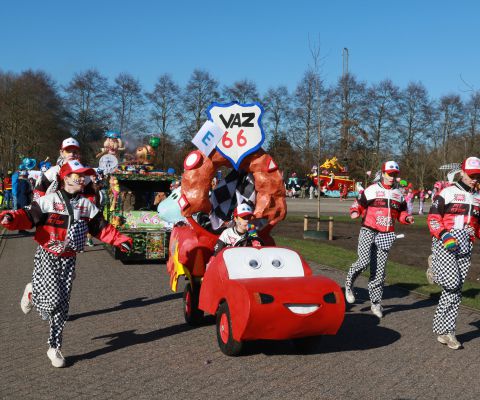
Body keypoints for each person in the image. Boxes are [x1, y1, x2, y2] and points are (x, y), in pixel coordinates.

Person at [0, 160, 133, 368]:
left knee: (62, 306)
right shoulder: (49, 201)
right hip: (47, 254)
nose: (82, 179)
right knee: (52, 300)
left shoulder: (86, 205)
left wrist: (120, 240)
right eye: (77, 175)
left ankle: (54, 347)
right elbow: (27, 216)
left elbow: (101, 228)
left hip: (69, 259)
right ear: (65, 178)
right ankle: (33, 291)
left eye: (83, 175)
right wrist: (10, 217)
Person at [344, 161, 414, 318]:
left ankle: (375, 303)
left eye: (395, 174)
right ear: (383, 173)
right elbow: (358, 203)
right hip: (368, 230)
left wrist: (406, 218)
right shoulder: (372, 189)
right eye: (389, 174)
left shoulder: (398, 194)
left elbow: (401, 213)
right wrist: (355, 210)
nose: (392, 177)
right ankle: (349, 283)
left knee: (379, 271)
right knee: (363, 261)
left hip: (386, 234)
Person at [427, 157, 480, 350]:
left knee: (455, 291)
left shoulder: (478, 198)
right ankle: (436, 268)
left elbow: (477, 226)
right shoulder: (447, 192)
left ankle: (446, 332)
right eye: (471, 175)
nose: (474, 179)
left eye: (478, 176)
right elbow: (433, 218)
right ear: (462, 172)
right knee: (452, 283)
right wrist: (445, 236)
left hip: (466, 246)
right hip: (445, 242)